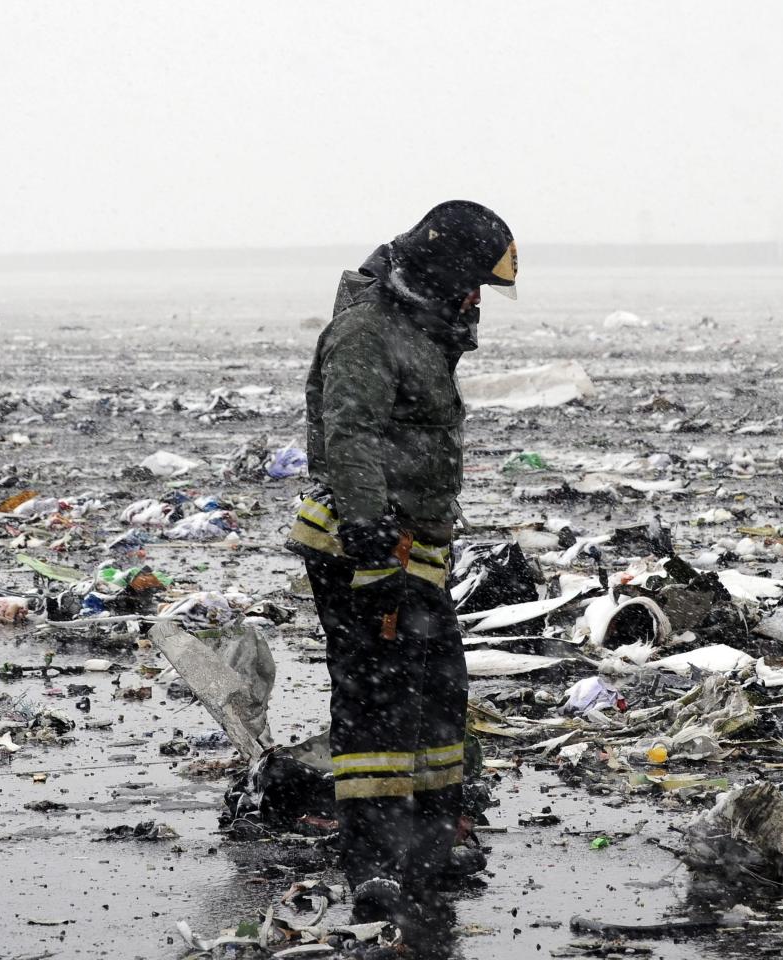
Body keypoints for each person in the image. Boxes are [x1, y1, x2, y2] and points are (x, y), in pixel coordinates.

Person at [284, 200, 516, 931]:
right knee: (377, 709)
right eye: (473, 282)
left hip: (417, 550)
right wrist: (370, 532)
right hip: (365, 553)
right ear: (443, 272)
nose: (477, 299)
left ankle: (430, 843)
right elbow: (349, 433)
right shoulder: (367, 331)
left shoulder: (421, 331)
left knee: (438, 697)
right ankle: (376, 863)